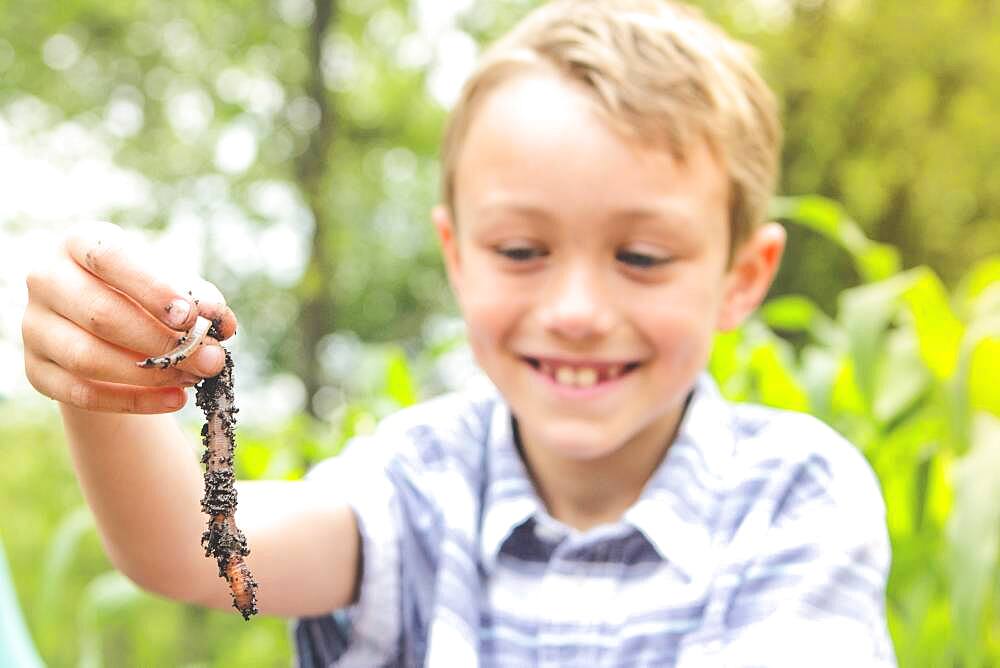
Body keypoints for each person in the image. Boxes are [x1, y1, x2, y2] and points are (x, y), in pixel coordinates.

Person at [21, 0, 895, 665]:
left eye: (641, 255)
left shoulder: (796, 495)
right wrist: (104, 375)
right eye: (522, 249)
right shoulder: (419, 480)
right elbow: (193, 548)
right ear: (457, 255)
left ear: (742, 277)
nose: (579, 310)